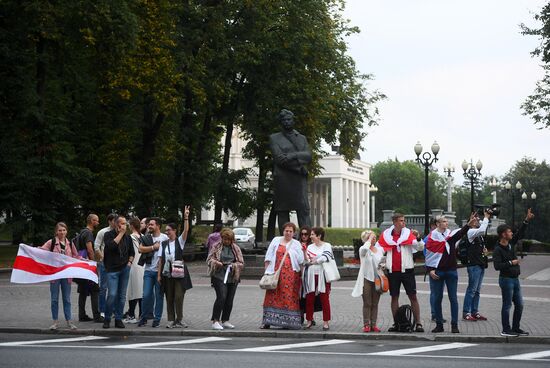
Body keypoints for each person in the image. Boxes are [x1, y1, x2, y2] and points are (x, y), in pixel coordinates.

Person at [425, 214, 476, 333]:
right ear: (437, 224)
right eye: (444, 221)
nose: (446, 223)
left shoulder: (450, 235)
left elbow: (460, 233)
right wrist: (430, 269)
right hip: (437, 271)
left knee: (453, 298)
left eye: (447, 221)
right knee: (437, 299)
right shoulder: (431, 237)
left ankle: (454, 325)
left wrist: (468, 225)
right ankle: (439, 325)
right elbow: (428, 254)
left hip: (451, 271)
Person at [376, 213, 424, 332]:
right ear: (395, 222)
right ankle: (397, 323)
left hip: (407, 270)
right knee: (394, 297)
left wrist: (418, 238)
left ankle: (418, 323)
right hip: (393, 271)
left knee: (413, 296)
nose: (404, 223)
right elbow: (378, 250)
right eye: (401, 221)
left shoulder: (408, 234)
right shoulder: (386, 235)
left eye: (404, 220)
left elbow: (420, 247)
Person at [269, 109, 312, 234]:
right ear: (281, 122)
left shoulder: (302, 138)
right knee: (282, 211)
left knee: (303, 210)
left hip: (299, 181)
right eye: (284, 120)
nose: (287, 122)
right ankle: (285, 240)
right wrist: (299, 167)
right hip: (283, 180)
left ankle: (308, 240)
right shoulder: (274, 138)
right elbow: (279, 159)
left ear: (293, 121)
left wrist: (291, 155)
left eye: (289, 119)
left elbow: (308, 156)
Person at [494, 208, 535, 337]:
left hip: (515, 279)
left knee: (520, 304)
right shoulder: (498, 249)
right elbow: (497, 266)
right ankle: (506, 330)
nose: (511, 233)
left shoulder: (511, 243)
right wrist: (512, 262)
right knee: (507, 305)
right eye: (509, 231)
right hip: (506, 280)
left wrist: (526, 220)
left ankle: (516, 328)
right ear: (503, 235)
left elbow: (520, 232)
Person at [261, 222, 304, 329]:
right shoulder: (276, 240)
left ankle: (287, 322)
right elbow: (268, 256)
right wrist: (266, 271)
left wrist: (302, 251)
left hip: (291, 276)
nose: (288, 233)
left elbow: (300, 260)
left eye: (290, 231)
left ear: (294, 233)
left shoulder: (296, 244)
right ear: (283, 231)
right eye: (286, 231)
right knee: (271, 295)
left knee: (288, 297)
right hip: (275, 274)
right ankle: (267, 321)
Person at [158, 207, 193, 328]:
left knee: (179, 296)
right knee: (169, 296)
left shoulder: (179, 241)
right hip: (167, 272)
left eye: (169, 230)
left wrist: (186, 217)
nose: (167, 232)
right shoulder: (163, 243)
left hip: (179, 271)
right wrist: (159, 275)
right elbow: (161, 260)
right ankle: (171, 319)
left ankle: (180, 318)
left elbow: (186, 230)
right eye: (166, 230)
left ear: (174, 231)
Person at [40, 222, 80, 330]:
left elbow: (76, 256)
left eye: (64, 230)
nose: (62, 232)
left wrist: (86, 261)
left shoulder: (70, 243)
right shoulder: (51, 242)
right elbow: (41, 252)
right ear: (56, 232)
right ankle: (55, 322)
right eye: (60, 230)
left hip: (66, 275)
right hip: (55, 275)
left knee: (67, 299)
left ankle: (69, 321)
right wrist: (30, 250)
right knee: (54, 299)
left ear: (66, 231)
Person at [207, 228, 244, 330]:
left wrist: (234, 265)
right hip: (219, 275)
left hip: (232, 276)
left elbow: (241, 262)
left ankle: (225, 320)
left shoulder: (236, 248)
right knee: (221, 297)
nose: (226, 241)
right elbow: (209, 259)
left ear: (232, 239)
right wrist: (216, 263)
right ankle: (215, 320)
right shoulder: (216, 246)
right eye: (224, 239)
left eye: (228, 239)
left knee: (229, 299)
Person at [102, 216, 135, 328]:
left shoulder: (128, 238)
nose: (124, 226)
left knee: (121, 296)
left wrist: (129, 263)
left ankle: (118, 319)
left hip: (124, 269)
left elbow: (132, 252)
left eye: (125, 223)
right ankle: (107, 318)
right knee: (112, 294)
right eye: (122, 223)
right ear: (116, 224)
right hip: (112, 270)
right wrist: (120, 234)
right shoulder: (108, 235)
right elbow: (111, 246)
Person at [137, 217, 168, 328]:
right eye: (148, 224)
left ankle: (157, 319)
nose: (149, 226)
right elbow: (140, 249)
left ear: (158, 226)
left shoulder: (165, 238)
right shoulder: (146, 237)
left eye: (151, 224)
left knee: (159, 296)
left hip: (160, 272)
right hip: (148, 271)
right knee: (146, 295)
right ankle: (144, 318)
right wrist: (153, 247)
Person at [352, 230, 384, 333]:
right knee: (367, 303)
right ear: (365, 239)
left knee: (375, 303)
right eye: (370, 238)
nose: (373, 239)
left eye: (374, 237)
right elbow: (365, 249)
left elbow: (383, 261)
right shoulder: (363, 249)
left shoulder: (379, 250)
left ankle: (374, 325)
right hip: (366, 279)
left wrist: (383, 265)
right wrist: (369, 240)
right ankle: (366, 325)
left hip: (377, 279)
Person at [462, 210, 491, 322]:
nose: (478, 220)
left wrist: (485, 252)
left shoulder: (478, 235)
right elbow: (483, 230)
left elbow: (480, 247)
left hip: (480, 264)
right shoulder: (470, 232)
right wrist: (486, 217)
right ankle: (466, 313)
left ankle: (474, 312)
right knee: (472, 290)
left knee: (477, 291)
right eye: (475, 219)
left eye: (478, 219)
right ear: (470, 221)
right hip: (473, 265)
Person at [303, 227, 333, 331]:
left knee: (324, 298)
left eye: (312, 234)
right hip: (311, 274)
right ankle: (309, 320)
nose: (310, 236)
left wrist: (315, 260)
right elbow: (307, 259)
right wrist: (315, 259)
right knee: (309, 298)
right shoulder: (310, 246)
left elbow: (326, 257)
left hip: (323, 274)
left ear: (319, 236)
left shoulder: (327, 245)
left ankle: (326, 322)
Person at [76, 213, 102, 323]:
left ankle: (81, 315)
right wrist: (93, 264)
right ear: (91, 221)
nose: (98, 222)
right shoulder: (88, 233)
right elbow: (90, 250)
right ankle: (97, 316)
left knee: (82, 291)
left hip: (81, 264)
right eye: (96, 220)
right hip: (88, 265)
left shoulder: (81, 232)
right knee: (95, 290)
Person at [94, 213, 117, 317]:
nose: (116, 223)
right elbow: (96, 246)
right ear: (109, 221)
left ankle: (113, 309)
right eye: (114, 221)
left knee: (114, 288)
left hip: (116, 263)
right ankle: (102, 310)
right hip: (104, 263)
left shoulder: (119, 232)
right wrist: (102, 257)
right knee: (103, 287)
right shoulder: (102, 232)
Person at [124, 217, 144, 324]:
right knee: (140, 291)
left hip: (133, 266)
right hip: (142, 266)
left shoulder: (130, 237)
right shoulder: (143, 237)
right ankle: (141, 314)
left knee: (132, 292)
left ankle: (131, 315)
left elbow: (128, 252)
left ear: (131, 226)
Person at [422, 218, 442, 323]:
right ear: (433, 226)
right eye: (437, 225)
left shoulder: (441, 236)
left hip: (440, 266)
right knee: (435, 292)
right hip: (433, 268)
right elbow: (426, 254)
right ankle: (435, 314)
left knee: (438, 292)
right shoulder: (428, 238)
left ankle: (436, 313)